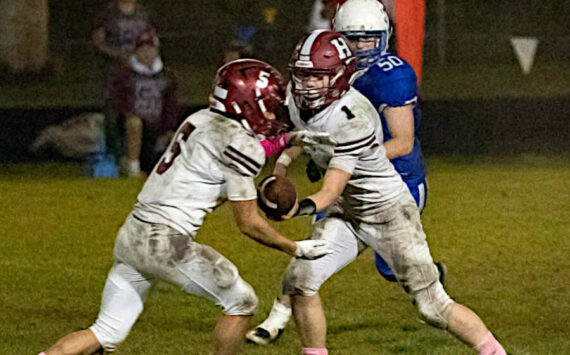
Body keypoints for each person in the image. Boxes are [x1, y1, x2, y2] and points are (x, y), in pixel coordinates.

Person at [37, 59, 332, 355]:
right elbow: (248, 222)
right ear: (247, 103)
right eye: (266, 104)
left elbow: (234, 151)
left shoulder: (201, 119)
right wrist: (293, 247)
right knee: (242, 302)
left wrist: (287, 140)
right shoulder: (238, 144)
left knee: (105, 331)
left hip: (133, 233)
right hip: (164, 240)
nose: (271, 112)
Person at [253, 30, 507, 355]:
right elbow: (297, 135)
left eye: (318, 76)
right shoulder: (296, 98)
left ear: (340, 75)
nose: (307, 84)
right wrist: (276, 165)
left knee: (433, 306)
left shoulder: (352, 117)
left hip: (387, 211)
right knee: (302, 280)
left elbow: (331, 189)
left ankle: (495, 352)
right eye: (302, 74)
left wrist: (296, 208)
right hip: (348, 210)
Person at [246, 0, 442, 344]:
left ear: (384, 37)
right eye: (353, 39)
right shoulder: (323, 69)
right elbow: (306, 129)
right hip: (345, 180)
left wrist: (342, 159)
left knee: (393, 269)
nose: (361, 47)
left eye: (369, 39)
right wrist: (284, 165)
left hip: (396, 182)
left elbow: (403, 142)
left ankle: (433, 285)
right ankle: (277, 317)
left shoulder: (391, 76)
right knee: (312, 253)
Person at [105, 27, 179, 177]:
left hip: (156, 128)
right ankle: (132, 165)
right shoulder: (125, 75)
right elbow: (117, 102)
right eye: (142, 49)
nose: (146, 53)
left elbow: (170, 105)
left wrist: (169, 129)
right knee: (134, 123)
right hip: (131, 127)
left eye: (149, 49)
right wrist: (129, 115)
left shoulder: (166, 76)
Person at [92, 0, 151, 66]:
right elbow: (98, 41)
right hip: (112, 65)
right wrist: (117, 55)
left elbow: (151, 37)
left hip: (140, 65)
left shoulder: (143, 12)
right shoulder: (107, 12)